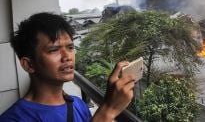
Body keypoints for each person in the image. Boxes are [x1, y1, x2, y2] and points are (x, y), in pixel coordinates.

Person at [0, 12, 135, 121]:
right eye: (54, 50)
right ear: (29, 64)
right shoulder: (14, 119)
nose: (67, 56)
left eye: (70, 47)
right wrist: (108, 110)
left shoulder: (78, 104)